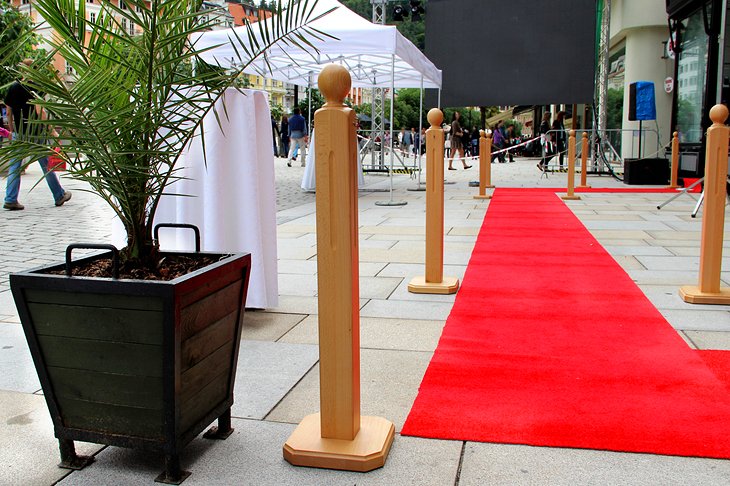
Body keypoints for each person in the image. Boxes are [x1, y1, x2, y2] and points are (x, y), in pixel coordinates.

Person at [4, 59, 71, 211]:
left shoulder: (13, 87)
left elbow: (8, 110)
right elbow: (40, 111)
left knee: (15, 166)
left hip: (19, 132)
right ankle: (59, 195)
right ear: (34, 70)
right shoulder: (36, 87)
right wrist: (52, 130)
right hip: (35, 133)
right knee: (46, 166)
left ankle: (10, 198)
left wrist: (12, 128)